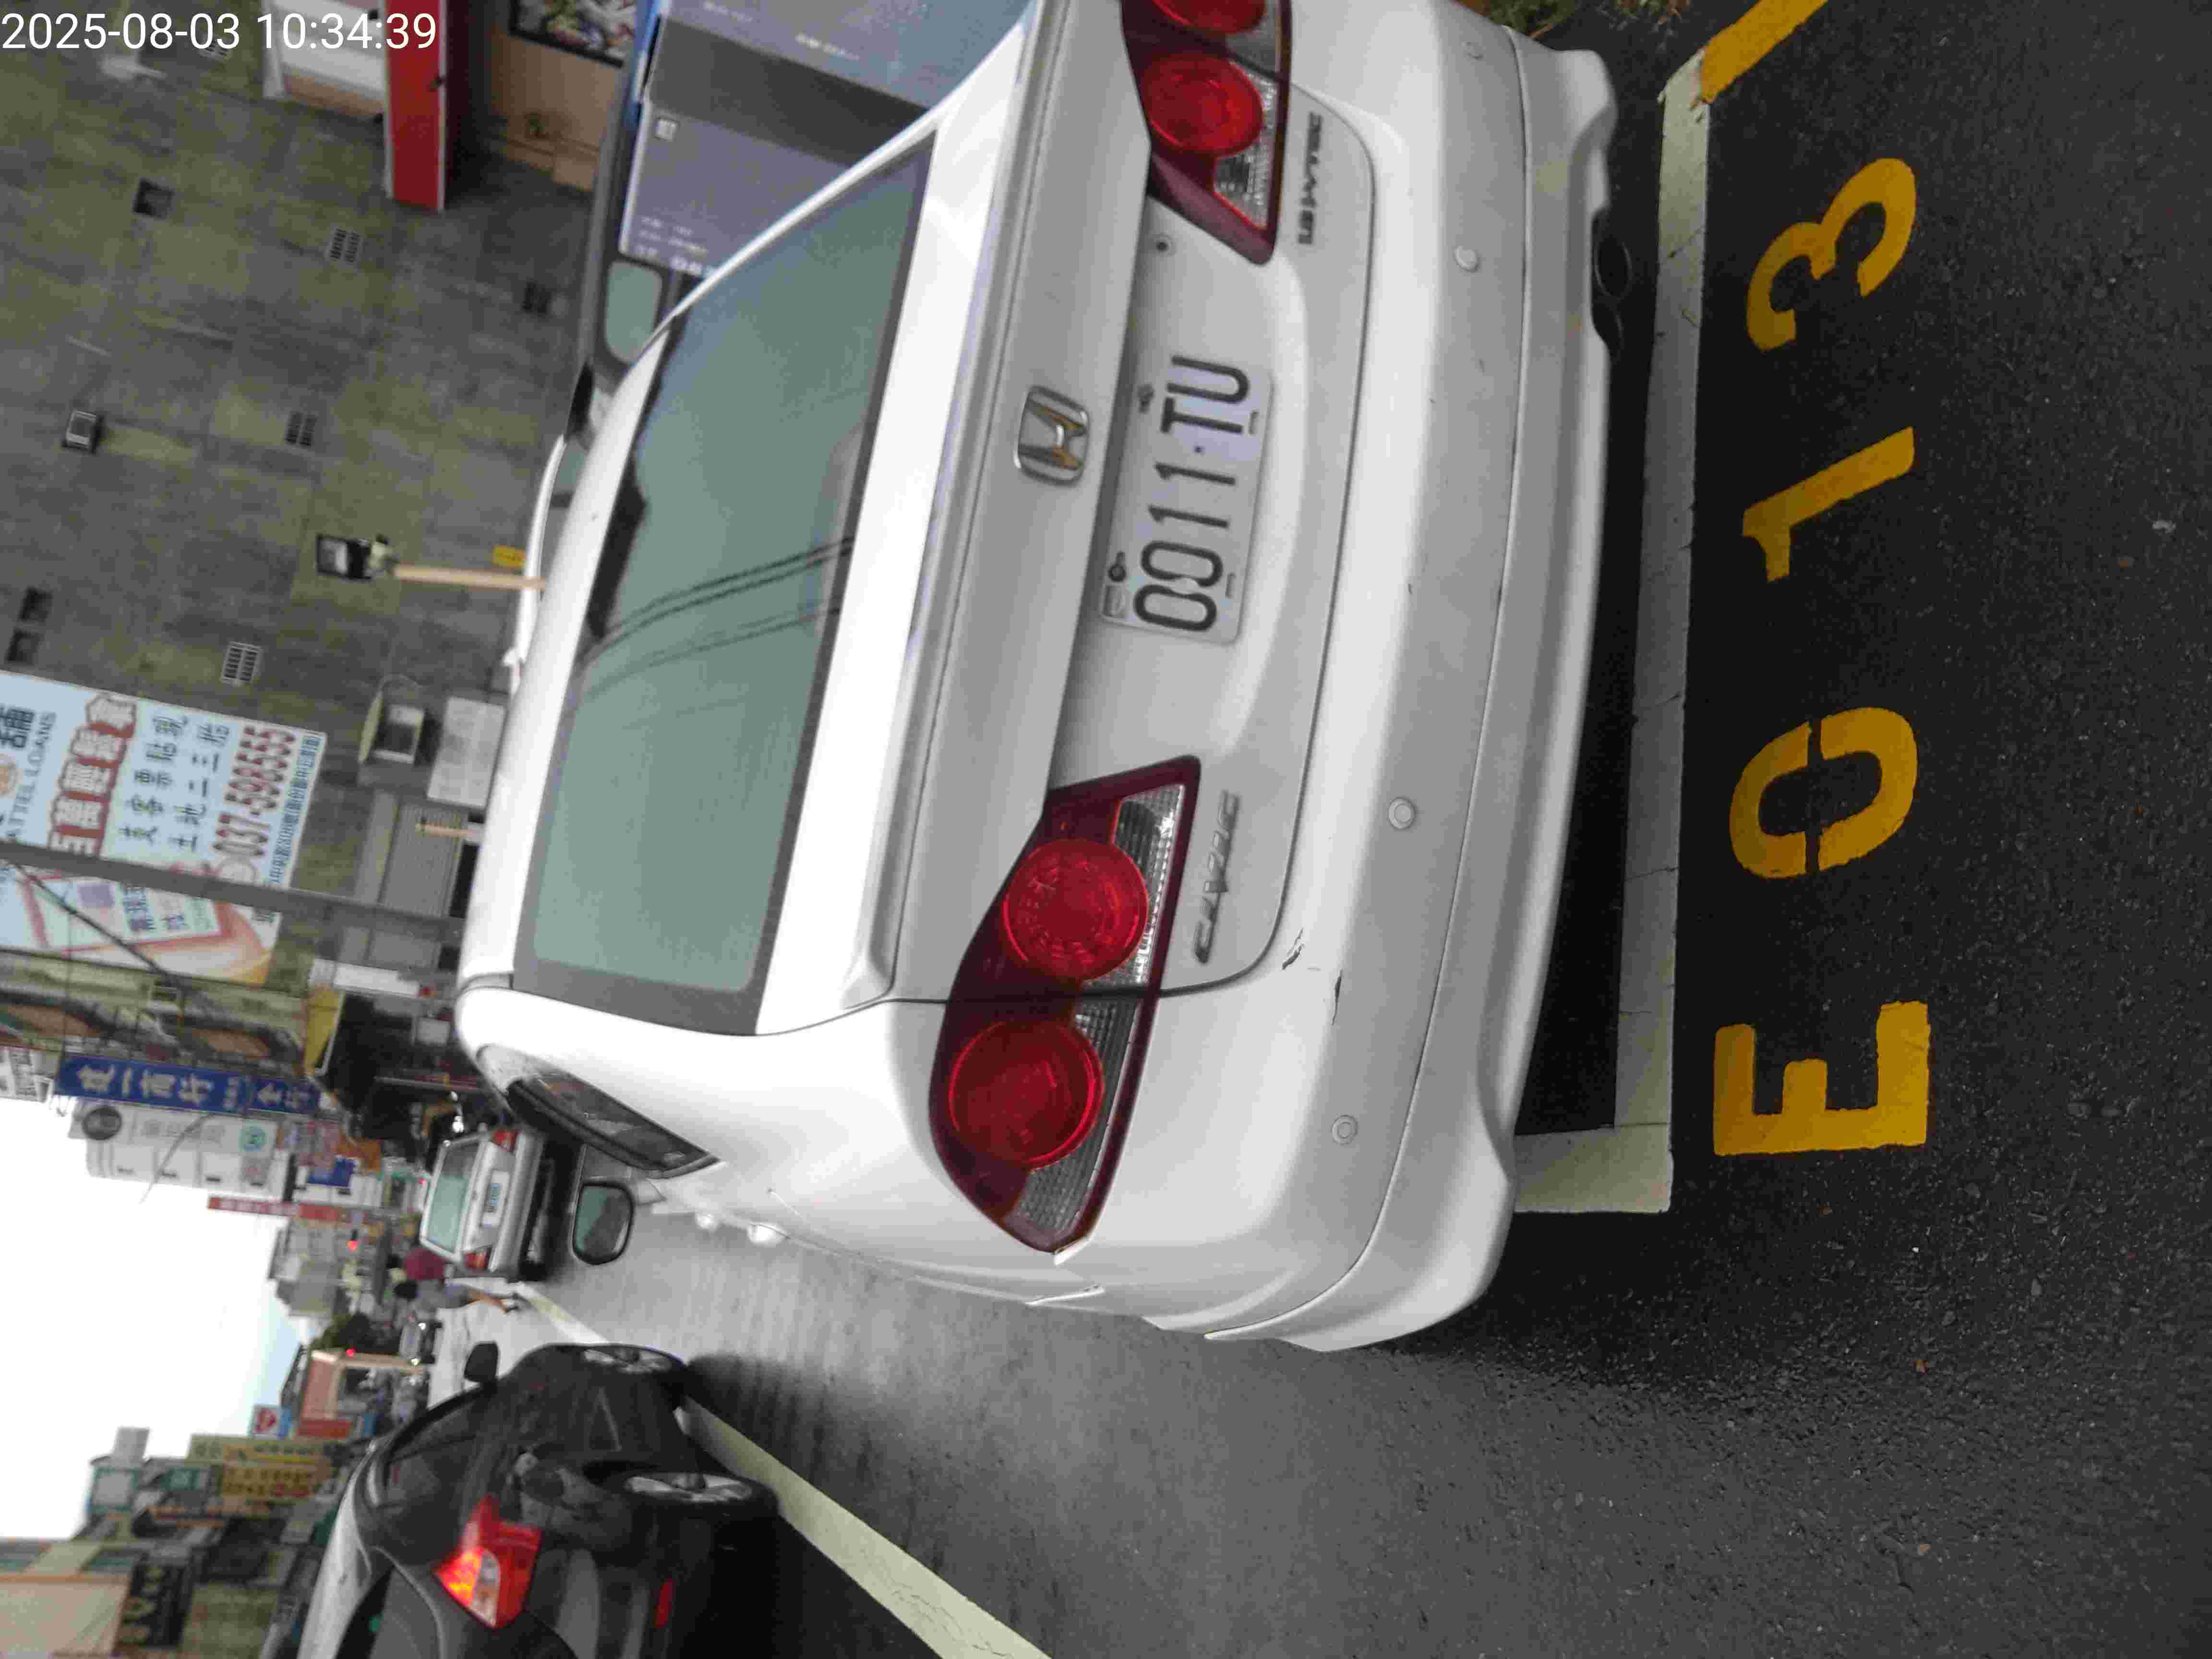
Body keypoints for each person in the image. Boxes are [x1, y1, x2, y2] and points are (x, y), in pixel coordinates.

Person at [396, 1242, 526, 1313]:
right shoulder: (415, 1254)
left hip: (449, 1304)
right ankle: (504, 1305)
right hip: (450, 1274)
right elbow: (433, 1253)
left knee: (482, 1297)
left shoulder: (417, 1298)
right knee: (481, 1288)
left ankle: (510, 1297)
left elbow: (430, 1310)